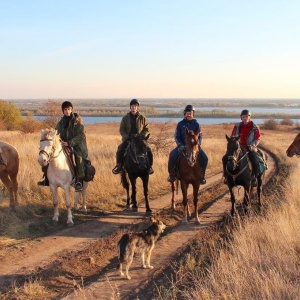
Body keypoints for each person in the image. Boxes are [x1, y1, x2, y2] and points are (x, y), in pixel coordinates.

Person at [38, 101, 89, 192]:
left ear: (71, 109)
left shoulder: (78, 121)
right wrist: (59, 141)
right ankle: (46, 178)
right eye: (65, 109)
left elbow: (81, 135)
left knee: (78, 157)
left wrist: (70, 143)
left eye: (69, 109)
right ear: (63, 111)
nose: (67, 111)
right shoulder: (60, 123)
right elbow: (56, 134)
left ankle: (79, 181)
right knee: (49, 156)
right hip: (63, 144)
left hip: (77, 145)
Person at [167, 104, 208, 184]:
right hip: (182, 146)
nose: (188, 115)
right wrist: (180, 145)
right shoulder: (180, 124)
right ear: (185, 114)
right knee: (172, 156)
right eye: (187, 113)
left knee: (205, 158)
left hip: (194, 147)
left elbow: (200, 136)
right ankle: (172, 175)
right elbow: (176, 136)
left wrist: (198, 145)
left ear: (193, 114)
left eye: (190, 113)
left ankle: (202, 176)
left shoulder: (196, 124)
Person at [112, 99, 154, 175]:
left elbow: (146, 128)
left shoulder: (142, 118)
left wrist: (142, 136)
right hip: (129, 139)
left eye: (135, 106)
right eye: (132, 106)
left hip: (140, 140)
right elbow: (122, 129)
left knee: (149, 150)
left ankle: (149, 167)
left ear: (137, 107)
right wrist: (126, 137)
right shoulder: (125, 118)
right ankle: (119, 166)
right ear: (130, 107)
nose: (133, 107)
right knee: (120, 149)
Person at [222, 109, 261, 186]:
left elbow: (258, 138)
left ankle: (254, 177)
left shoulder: (255, 127)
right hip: (238, 147)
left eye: (246, 116)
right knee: (225, 158)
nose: (245, 118)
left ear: (249, 117)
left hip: (250, 147)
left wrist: (252, 145)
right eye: (243, 116)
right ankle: (226, 175)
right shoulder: (237, 126)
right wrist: (234, 143)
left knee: (255, 159)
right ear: (241, 117)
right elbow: (232, 136)